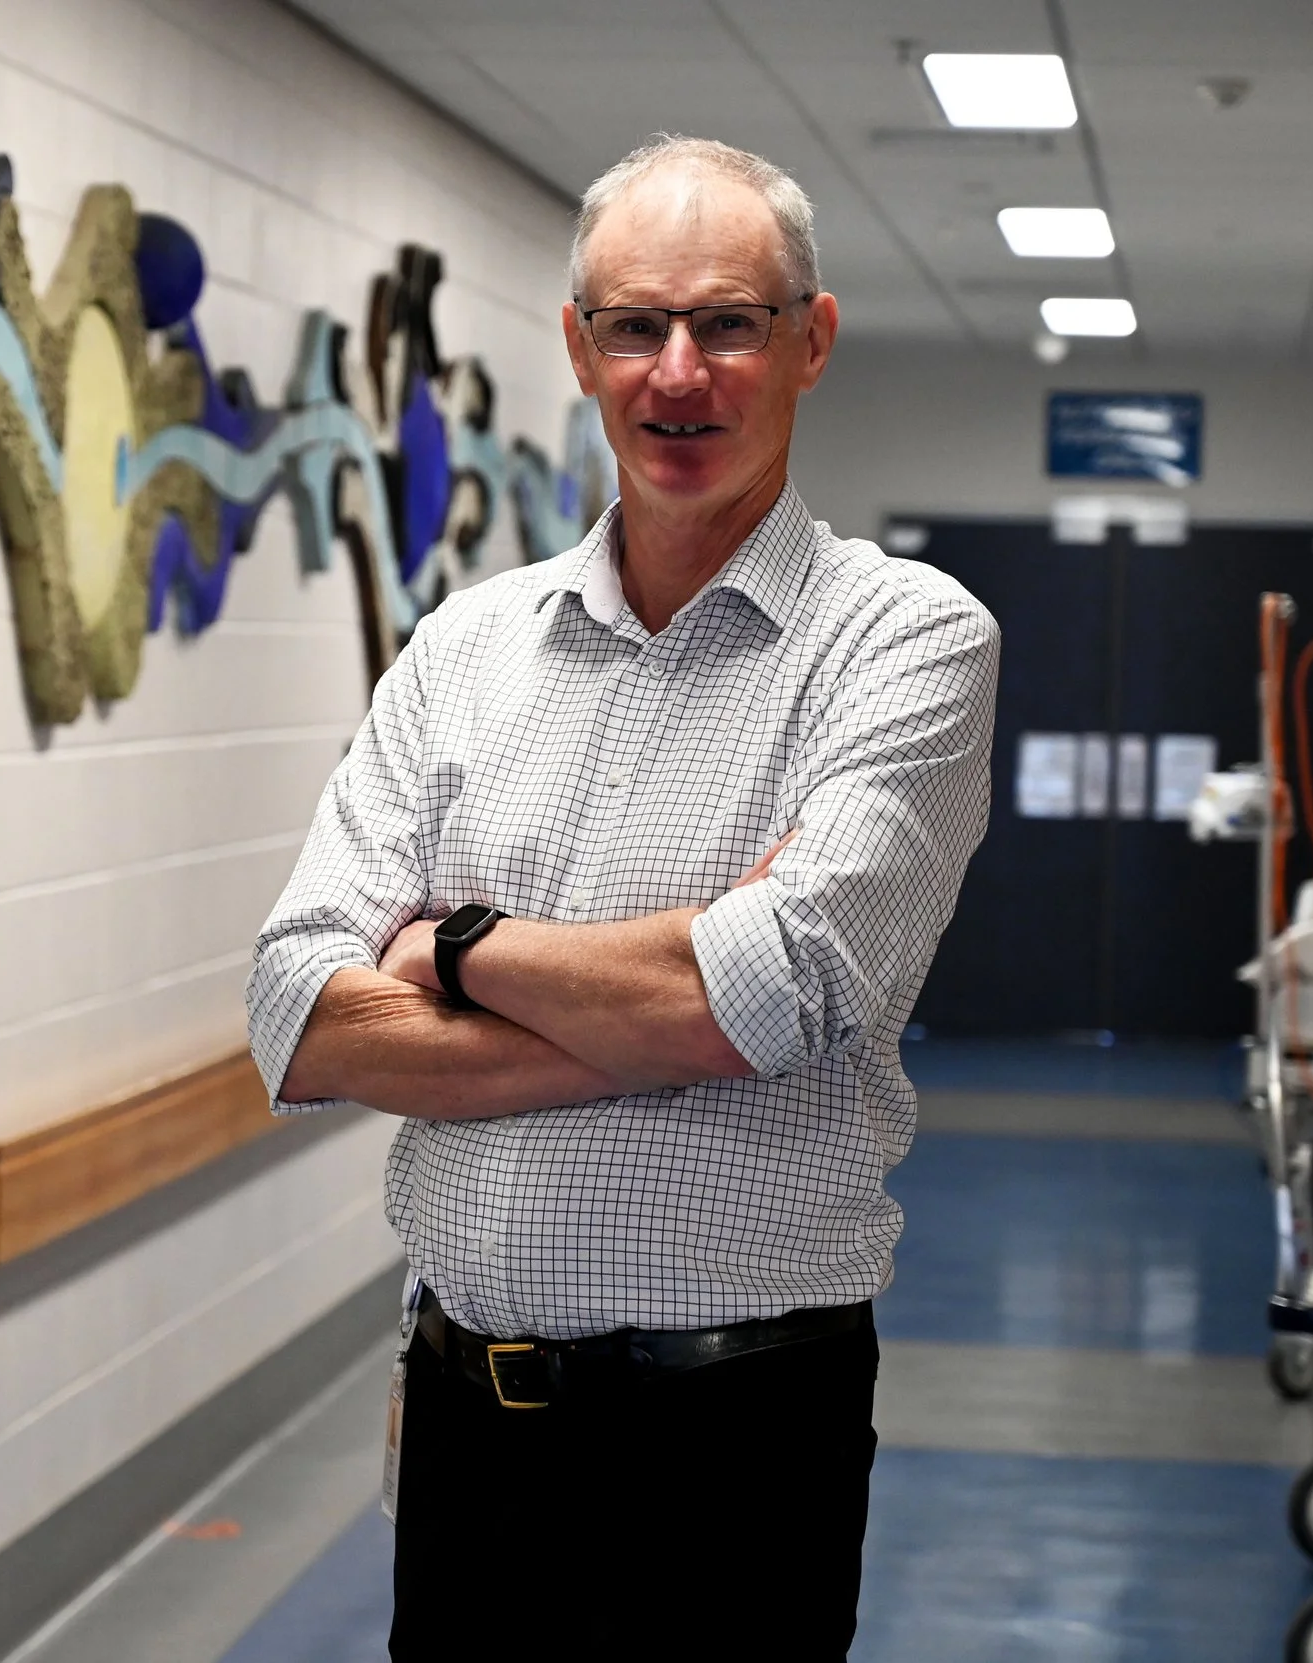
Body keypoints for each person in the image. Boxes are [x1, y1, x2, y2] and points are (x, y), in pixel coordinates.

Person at [245, 134, 998, 1658]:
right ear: (580, 348)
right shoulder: (464, 650)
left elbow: (775, 988)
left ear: (812, 341)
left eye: (729, 323)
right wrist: (679, 1004)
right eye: (636, 325)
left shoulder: (905, 641)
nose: (680, 373)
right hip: (464, 1420)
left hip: (736, 1439)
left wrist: (459, 947)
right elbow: (297, 1013)